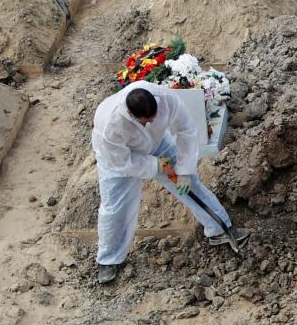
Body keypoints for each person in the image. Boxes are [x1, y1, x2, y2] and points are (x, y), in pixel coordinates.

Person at [91, 81, 248, 284]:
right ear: (131, 114)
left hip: (157, 144)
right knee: (115, 207)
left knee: (190, 184)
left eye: (152, 118)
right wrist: (156, 164)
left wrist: (184, 170)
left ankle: (220, 229)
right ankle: (109, 259)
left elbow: (186, 130)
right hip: (117, 159)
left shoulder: (165, 99)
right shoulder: (109, 126)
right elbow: (124, 163)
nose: (149, 122)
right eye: (144, 121)